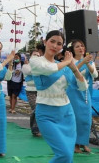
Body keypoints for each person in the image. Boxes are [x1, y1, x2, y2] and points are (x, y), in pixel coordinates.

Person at [30, 30, 88, 163]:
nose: (55, 46)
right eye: (52, 41)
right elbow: (50, 69)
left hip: (67, 113)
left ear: (62, 47)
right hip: (46, 114)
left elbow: (83, 86)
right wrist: (67, 62)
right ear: (45, 41)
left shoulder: (65, 65)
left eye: (59, 44)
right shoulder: (36, 61)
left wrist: (73, 67)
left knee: (68, 156)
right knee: (64, 154)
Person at [66, 39, 98, 153]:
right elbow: (70, 73)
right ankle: (75, 144)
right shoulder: (70, 61)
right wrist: (82, 62)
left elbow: (95, 74)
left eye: (82, 46)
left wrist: (88, 63)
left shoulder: (90, 61)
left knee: (86, 119)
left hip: (86, 93)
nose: (81, 48)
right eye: (77, 47)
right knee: (76, 119)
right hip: (74, 93)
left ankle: (83, 143)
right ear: (73, 50)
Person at [21, 50, 42, 137]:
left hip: (40, 91)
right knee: (36, 109)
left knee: (40, 110)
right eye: (34, 55)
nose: (36, 56)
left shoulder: (41, 66)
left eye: (38, 55)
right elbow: (30, 72)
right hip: (30, 91)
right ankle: (35, 129)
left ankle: (39, 129)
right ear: (30, 56)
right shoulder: (26, 66)